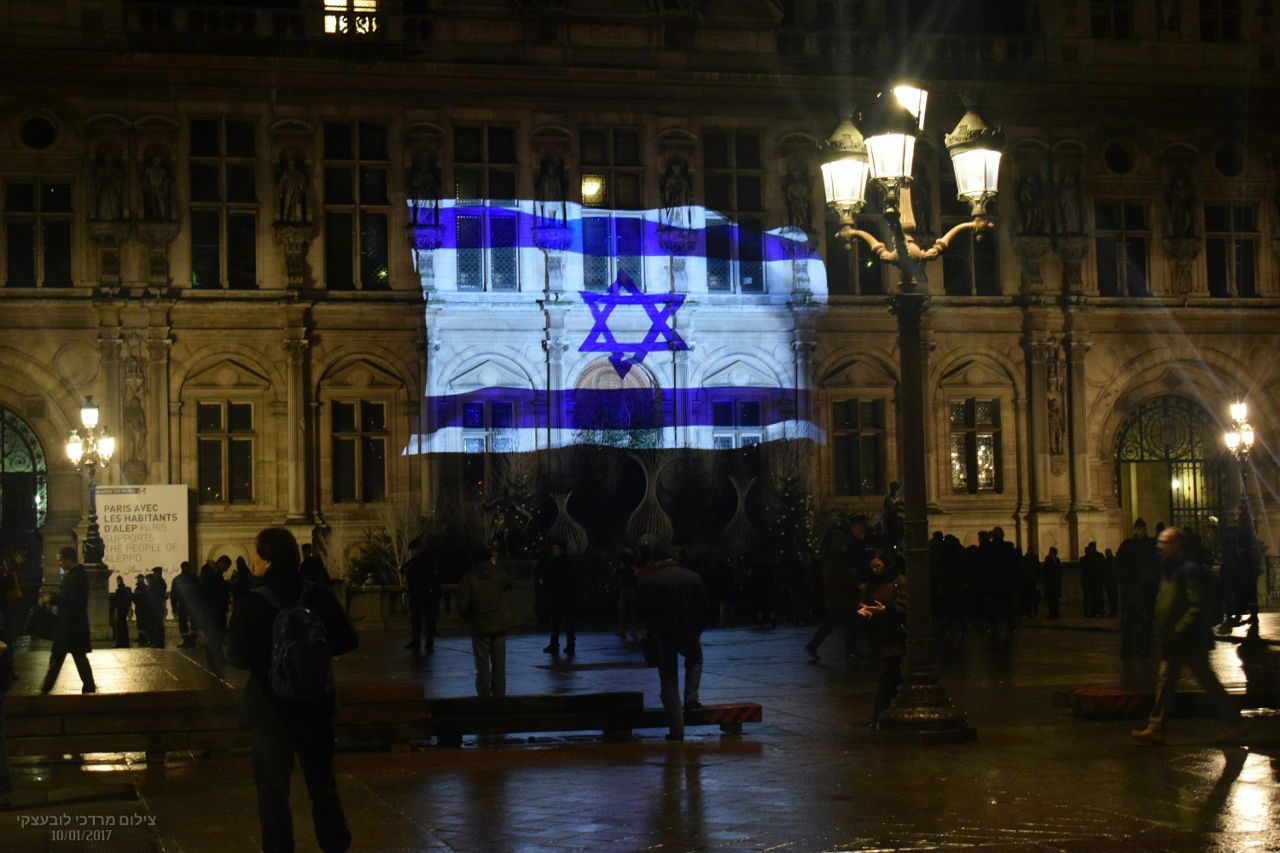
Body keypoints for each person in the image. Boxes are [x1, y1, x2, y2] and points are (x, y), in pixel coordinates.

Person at [228, 527, 357, 853]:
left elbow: (238, 660)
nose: (253, 560)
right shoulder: (318, 596)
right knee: (322, 785)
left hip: (270, 710)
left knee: (272, 792)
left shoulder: (251, 603)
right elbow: (348, 641)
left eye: (257, 554)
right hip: (315, 705)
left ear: (268, 561)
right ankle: (334, 845)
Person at [1132, 527, 1243, 746]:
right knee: (1167, 681)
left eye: (1164, 542)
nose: (1158, 546)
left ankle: (1235, 724)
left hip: (1190, 639)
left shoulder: (1188, 570)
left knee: (1205, 681)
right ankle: (1157, 728)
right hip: (1176, 639)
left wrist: (1177, 629)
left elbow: (1195, 605)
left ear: (1177, 546)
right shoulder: (1168, 570)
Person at [638, 543, 708, 741]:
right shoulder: (693, 578)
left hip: (662, 635)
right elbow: (704, 606)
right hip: (688, 632)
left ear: (659, 561)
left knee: (668, 681)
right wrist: (697, 628)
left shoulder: (651, 581)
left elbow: (640, 611)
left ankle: (677, 730)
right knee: (695, 660)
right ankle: (691, 698)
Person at [805, 514, 873, 660]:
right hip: (842, 596)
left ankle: (814, 645)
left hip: (837, 597)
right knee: (849, 622)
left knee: (831, 623)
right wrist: (857, 586)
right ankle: (850, 649)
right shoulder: (838, 559)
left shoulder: (833, 558)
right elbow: (844, 577)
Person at [857, 551, 907, 725]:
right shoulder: (871, 583)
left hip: (893, 636)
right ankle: (893, 703)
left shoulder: (897, 581)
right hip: (878, 635)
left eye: (878, 566)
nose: (875, 570)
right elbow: (865, 603)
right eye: (872, 566)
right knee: (892, 676)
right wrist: (867, 613)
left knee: (887, 675)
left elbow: (905, 607)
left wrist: (886, 610)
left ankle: (879, 714)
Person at [455, 549, 512, 698]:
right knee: (499, 666)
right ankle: (499, 696)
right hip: (499, 624)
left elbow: (462, 605)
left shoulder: (469, 577)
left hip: (479, 625)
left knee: (482, 667)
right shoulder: (499, 575)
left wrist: (468, 616)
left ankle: (484, 697)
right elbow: (510, 582)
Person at [39, 546, 96, 694]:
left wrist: (52, 598)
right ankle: (88, 687)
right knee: (74, 657)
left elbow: (72, 600)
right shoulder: (74, 575)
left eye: (60, 560)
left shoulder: (78, 576)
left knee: (63, 658)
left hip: (72, 626)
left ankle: (46, 688)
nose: (59, 563)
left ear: (68, 559)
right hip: (71, 626)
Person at [1116, 518, 1158, 658]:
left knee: (1145, 621)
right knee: (1129, 621)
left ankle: (1144, 648)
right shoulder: (1129, 545)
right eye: (1139, 528)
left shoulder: (1149, 545)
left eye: (1142, 528)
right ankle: (1128, 648)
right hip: (1132, 588)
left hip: (1145, 589)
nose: (1141, 531)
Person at [400, 537, 440, 653]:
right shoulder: (421, 560)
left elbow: (424, 576)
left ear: (418, 549)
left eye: (413, 550)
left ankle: (424, 642)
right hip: (421, 594)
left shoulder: (423, 561)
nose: (412, 553)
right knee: (422, 620)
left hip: (423, 593)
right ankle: (423, 642)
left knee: (424, 620)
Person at [536, 540, 576, 655]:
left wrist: (548, 583)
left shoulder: (560, 562)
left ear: (561, 549)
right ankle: (565, 644)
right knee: (559, 621)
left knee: (561, 621)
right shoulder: (564, 562)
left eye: (555, 548)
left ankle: (562, 644)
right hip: (562, 595)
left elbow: (556, 578)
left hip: (561, 595)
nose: (554, 550)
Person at [146, 567, 168, 648]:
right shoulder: (157, 583)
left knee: (157, 625)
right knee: (154, 625)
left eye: (155, 573)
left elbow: (158, 595)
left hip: (156, 607)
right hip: (155, 607)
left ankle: (158, 642)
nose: (154, 574)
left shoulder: (159, 583)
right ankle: (155, 641)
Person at [110, 575, 132, 648]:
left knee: (120, 626)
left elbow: (118, 600)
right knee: (122, 626)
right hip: (123, 610)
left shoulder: (121, 590)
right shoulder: (124, 590)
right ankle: (124, 642)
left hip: (121, 610)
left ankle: (120, 642)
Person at [1041, 546, 1063, 619]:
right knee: (1051, 599)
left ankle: (1056, 612)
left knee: (1055, 599)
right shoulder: (1048, 559)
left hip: (1055, 582)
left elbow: (1059, 569)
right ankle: (1052, 613)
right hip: (1050, 583)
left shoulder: (1057, 559)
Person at [132, 574, 153, 647]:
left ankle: (144, 638)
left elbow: (145, 598)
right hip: (139, 608)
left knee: (143, 623)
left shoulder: (144, 588)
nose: (137, 580)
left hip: (143, 608)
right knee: (139, 622)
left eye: (138, 578)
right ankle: (141, 636)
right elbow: (134, 597)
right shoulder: (138, 588)